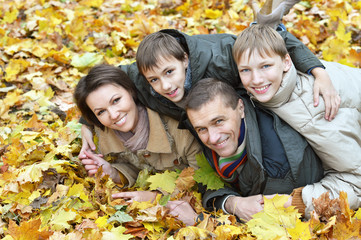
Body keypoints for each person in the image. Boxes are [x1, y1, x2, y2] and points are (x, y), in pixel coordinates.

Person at [79, 0, 340, 156]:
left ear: (184, 59)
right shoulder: (144, 72)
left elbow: (276, 42)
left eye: (170, 72)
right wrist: (87, 122)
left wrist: (318, 71)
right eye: (154, 80)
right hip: (212, 133)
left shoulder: (221, 54)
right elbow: (100, 84)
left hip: (247, 102)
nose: (165, 86)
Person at [232, 24, 361, 218]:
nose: (256, 79)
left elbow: (356, 182)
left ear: (286, 62)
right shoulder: (272, 87)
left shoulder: (315, 109)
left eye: (265, 66)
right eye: (245, 70)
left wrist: (293, 203)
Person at [73, 64, 202, 223]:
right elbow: (136, 167)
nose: (113, 115)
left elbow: (201, 179)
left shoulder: (179, 130)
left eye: (116, 100)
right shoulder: (104, 137)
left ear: (131, 91)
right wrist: (114, 173)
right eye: (101, 112)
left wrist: (156, 197)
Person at [184, 78, 324, 221]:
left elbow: (265, 226)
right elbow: (210, 186)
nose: (213, 138)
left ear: (240, 108)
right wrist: (232, 203)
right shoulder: (216, 140)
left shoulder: (279, 162)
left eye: (218, 121)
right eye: (202, 129)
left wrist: (196, 220)